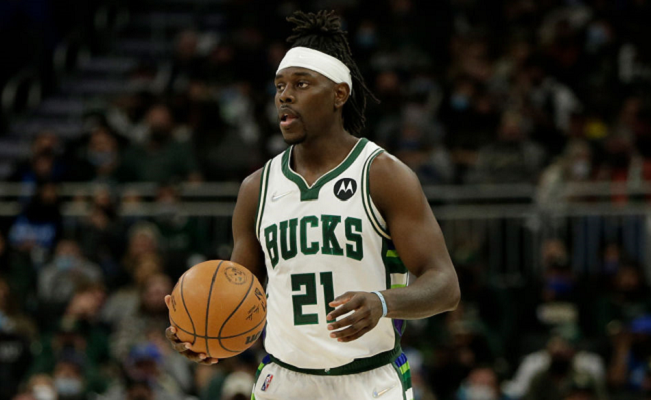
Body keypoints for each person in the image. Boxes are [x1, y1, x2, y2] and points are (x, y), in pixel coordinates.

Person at [164, 10, 460, 400]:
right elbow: (239, 296)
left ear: (339, 94)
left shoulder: (382, 174)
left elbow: (445, 285)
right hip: (283, 381)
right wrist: (202, 332)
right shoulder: (256, 188)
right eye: (280, 86)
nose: (285, 95)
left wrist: (383, 302)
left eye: (301, 84)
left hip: (369, 380)